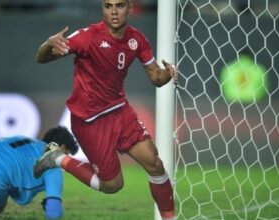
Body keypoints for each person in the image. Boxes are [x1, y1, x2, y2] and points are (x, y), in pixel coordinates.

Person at [34, 0, 178, 219]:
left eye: (119, 6)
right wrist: (47, 44)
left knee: (154, 162)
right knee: (112, 185)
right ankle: (57, 158)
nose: (113, 12)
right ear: (103, 8)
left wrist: (168, 73)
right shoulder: (87, 36)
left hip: (120, 111)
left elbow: (156, 78)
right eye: (108, 6)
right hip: (90, 121)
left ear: (129, 7)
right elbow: (42, 59)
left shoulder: (137, 39)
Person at [0, 126, 78, 219]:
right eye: (66, 154)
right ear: (61, 147)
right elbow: (53, 210)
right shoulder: (53, 160)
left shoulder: (23, 138)